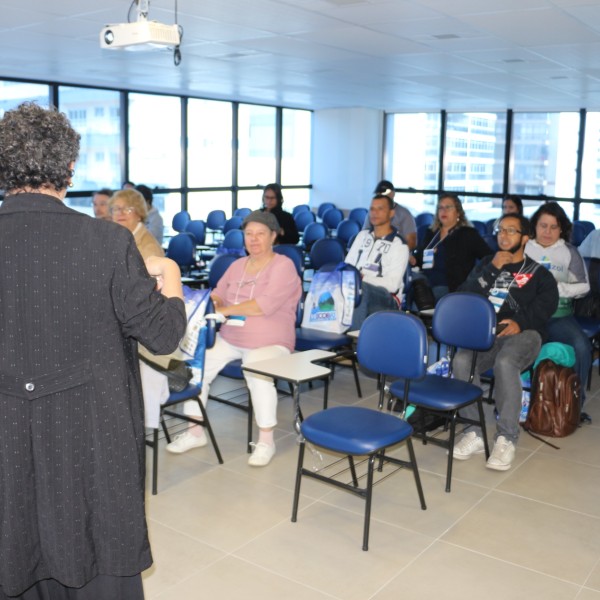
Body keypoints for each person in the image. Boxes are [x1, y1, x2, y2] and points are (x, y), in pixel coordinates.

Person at [0, 102, 186, 599]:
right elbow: (164, 337)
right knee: (96, 558)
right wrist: (169, 278)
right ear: (68, 169)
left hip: (8, 446)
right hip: (90, 447)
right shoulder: (106, 243)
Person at [166, 210, 302, 467]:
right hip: (231, 337)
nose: (254, 239)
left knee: (256, 371)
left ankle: (266, 441)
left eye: (260, 234)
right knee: (196, 366)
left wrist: (223, 310)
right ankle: (195, 432)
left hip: (270, 341)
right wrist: (210, 302)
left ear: (273, 236)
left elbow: (263, 305)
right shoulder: (237, 265)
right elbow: (218, 294)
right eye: (249, 234)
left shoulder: (283, 266)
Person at [452, 214, 558, 471]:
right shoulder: (489, 263)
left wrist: (520, 322)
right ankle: (474, 431)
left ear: (525, 237)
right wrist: (492, 269)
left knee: (506, 362)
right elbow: (464, 296)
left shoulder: (539, 274)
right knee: (462, 360)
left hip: (526, 334)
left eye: (511, 231)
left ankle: (506, 437)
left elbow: (547, 305)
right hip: (488, 335)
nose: (503, 235)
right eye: (501, 230)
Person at [525, 202, 592, 415]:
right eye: (543, 225)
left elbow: (584, 286)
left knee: (582, 347)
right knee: (519, 347)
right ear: (534, 226)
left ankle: (574, 404)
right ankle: (524, 402)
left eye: (553, 227)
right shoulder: (523, 247)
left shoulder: (569, 252)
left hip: (558, 316)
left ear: (561, 228)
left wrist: (557, 289)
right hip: (528, 315)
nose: (547, 231)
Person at [414, 193, 493, 302]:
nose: (443, 211)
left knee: (430, 297)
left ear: (458, 212)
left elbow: (488, 258)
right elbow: (419, 259)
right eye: (440, 208)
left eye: (448, 207)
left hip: (451, 287)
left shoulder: (468, 234)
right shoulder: (431, 233)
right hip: (427, 284)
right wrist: (413, 258)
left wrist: (475, 278)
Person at [345, 194, 409, 329]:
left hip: (387, 298)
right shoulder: (362, 236)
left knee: (361, 290)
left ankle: (356, 342)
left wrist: (361, 278)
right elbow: (347, 267)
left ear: (391, 213)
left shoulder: (399, 244)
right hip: (356, 289)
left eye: (380, 209)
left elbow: (392, 285)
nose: (375, 213)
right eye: (372, 209)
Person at [109, 188, 164, 259]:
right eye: (116, 208)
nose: (120, 213)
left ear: (139, 214)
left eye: (127, 209)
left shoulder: (150, 249)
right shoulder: (117, 238)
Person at [362, 180, 417, 250]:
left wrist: (400, 253)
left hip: (397, 251)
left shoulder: (404, 214)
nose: (382, 196)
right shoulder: (372, 212)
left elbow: (411, 242)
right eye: (379, 193)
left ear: (393, 194)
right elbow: (364, 235)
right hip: (373, 250)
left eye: (385, 193)